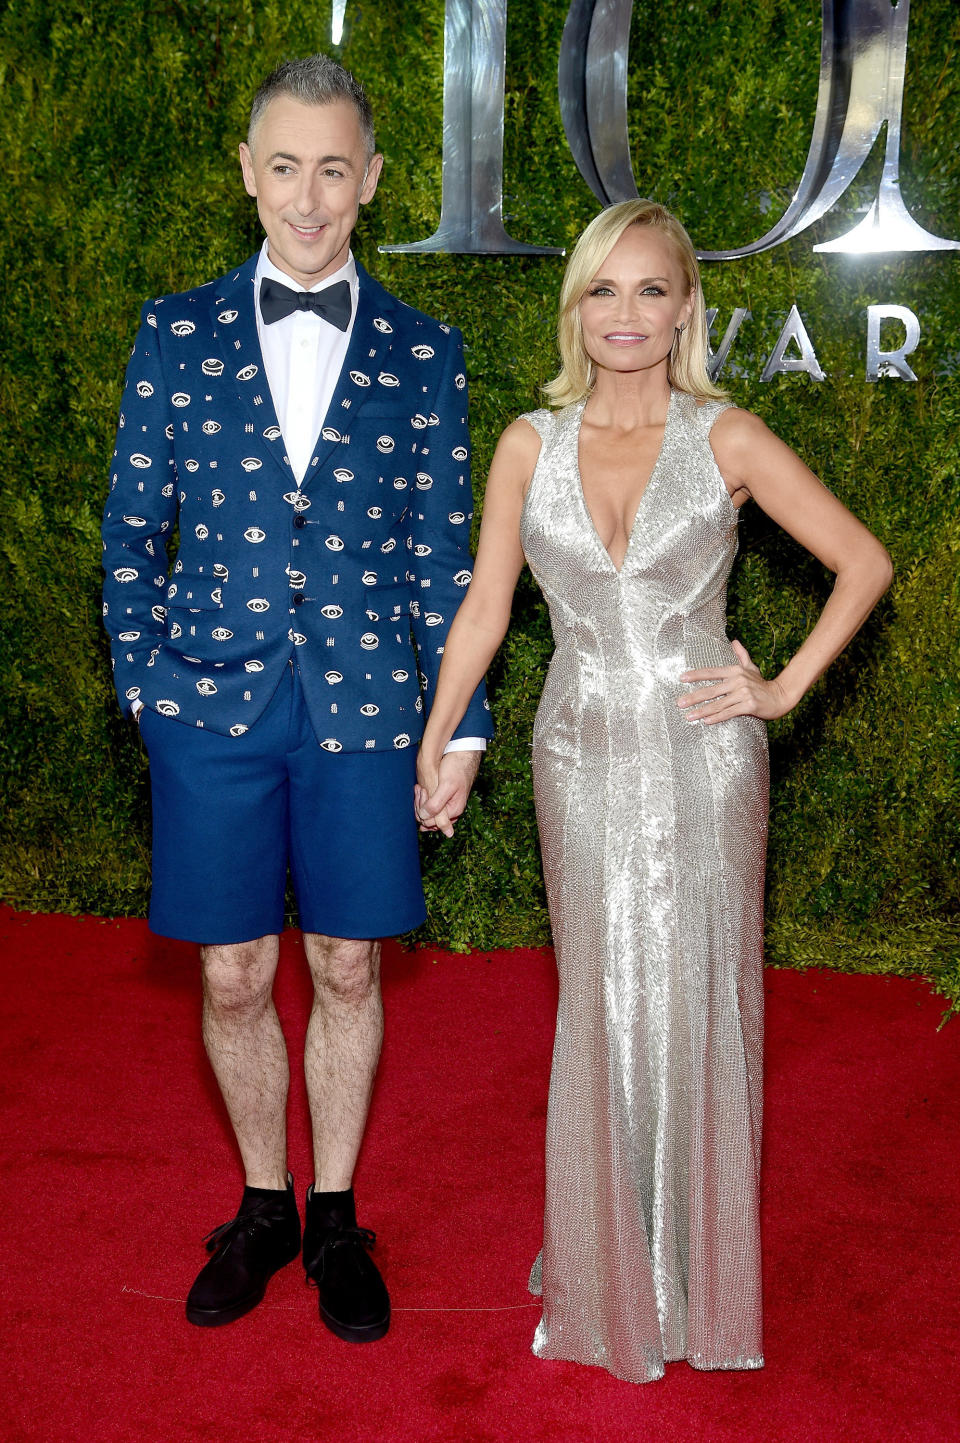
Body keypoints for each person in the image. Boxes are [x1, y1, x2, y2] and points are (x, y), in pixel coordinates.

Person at [415, 199, 892, 1384]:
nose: (625, 316)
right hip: (573, 750)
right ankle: (609, 1260)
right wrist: (436, 737)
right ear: (576, 305)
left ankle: (694, 1274)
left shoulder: (726, 438)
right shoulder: (529, 441)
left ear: (687, 307)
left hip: (703, 754)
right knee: (601, 1000)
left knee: (698, 997)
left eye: (650, 291)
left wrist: (779, 690)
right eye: (602, 291)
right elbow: (486, 606)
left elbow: (864, 561)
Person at [101, 54, 491, 1342]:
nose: (309, 197)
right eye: (285, 167)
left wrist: (463, 725)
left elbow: (448, 559)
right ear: (248, 175)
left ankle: (335, 1216)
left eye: (335, 168)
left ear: (372, 181)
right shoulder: (174, 331)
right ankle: (261, 1207)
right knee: (229, 977)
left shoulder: (428, 353)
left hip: (370, 714)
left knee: (346, 966)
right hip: (206, 711)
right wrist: (145, 692)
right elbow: (127, 539)